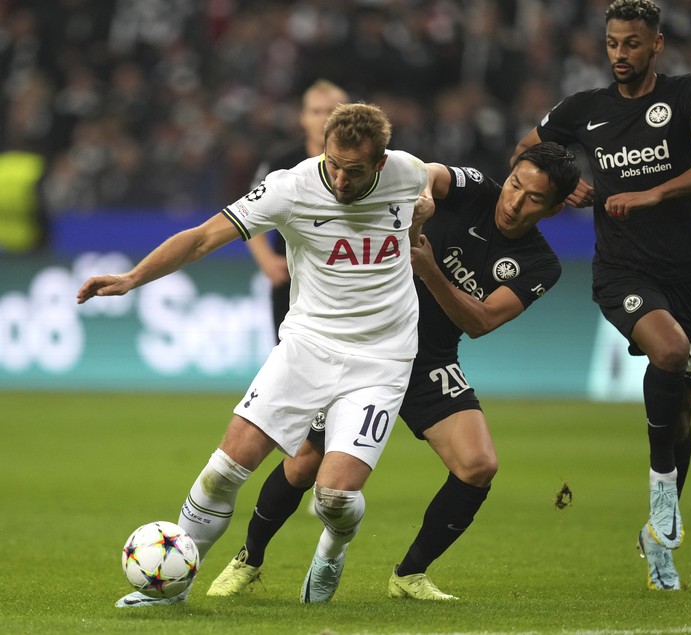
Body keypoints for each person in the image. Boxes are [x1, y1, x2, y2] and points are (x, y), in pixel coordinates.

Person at [77, 103, 430, 607]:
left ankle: (333, 546)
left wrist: (430, 201)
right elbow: (202, 238)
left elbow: (434, 178)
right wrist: (134, 277)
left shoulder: (406, 171)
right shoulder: (291, 187)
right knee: (223, 470)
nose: (341, 179)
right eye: (333, 164)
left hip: (383, 358)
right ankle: (171, 589)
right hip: (307, 346)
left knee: (334, 498)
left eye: (354, 171)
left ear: (379, 163)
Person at [204, 142, 582, 601]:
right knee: (304, 464)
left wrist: (430, 271)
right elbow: (429, 171)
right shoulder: (478, 190)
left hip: (429, 359)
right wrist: (420, 201)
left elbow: (481, 321)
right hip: (367, 344)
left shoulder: (542, 264)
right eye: (516, 185)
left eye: (534, 199)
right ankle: (250, 559)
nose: (515, 201)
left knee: (478, 465)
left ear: (556, 208)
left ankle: (408, 574)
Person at [512, 0, 691, 591]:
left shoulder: (690, 95)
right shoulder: (585, 109)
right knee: (667, 351)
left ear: (655, 45)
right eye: (612, 44)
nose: (620, 55)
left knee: (681, 419)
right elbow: (526, 153)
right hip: (621, 272)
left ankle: (657, 537)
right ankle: (663, 497)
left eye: (631, 44)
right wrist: (564, 182)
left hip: (687, 273)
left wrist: (656, 194)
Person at [247, 79, 349, 338]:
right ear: (303, 118)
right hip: (294, 283)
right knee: (289, 360)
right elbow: (248, 213)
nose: (324, 119)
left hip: (350, 279)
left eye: (332, 111)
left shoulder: (372, 160)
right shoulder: (281, 162)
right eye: (316, 111)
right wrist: (267, 260)